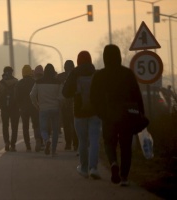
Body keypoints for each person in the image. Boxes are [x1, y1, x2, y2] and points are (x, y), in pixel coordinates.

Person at [90, 44, 145, 186]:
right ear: (119, 56)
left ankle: (113, 163)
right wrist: (141, 113)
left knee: (109, 142)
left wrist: (100, 112)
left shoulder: (99, 75)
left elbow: (93, 97)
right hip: (126, 115)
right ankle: (124, 177)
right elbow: (137, 95)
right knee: (126, 145)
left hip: (108, 115)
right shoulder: (127, 74)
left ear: (104, 57)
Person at [62, 51, 102, 179]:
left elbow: (65, 92)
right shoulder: (96, 73)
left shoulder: (74, 73)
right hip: (95, 112)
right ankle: (94, 168)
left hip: (79, 112)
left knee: (83, 141)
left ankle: (84, 168)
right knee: (94, 139)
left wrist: (75, 93)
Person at [30, 63, 62, 156]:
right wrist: (59, 105)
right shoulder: (58, 82)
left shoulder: (39, 82)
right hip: (55, 108)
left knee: (43, 129)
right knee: (55, 130)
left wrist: (36, 104)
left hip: (43, 109)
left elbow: (32, 95)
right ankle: (53, 151)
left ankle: (47, 140)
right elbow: (61, 96)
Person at [15, 65, 42, 152]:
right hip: (34, 107)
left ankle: (28, 145)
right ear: (31, 72)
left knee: (25, 126)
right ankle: (38, 140)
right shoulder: (35, 82)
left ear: (23, 73)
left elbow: (16, 97)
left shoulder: (19, 83)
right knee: (36, 125)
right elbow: (38, 95)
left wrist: (19, 106)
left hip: (23, 108)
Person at [0, 66, 20, 152]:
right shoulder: (16, 82)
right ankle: (13, 145)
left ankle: (6, 142)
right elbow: (19, 95)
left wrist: (0, 105)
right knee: (14, 127)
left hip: (4, 108)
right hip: (15, 108)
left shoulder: (0, 84)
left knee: (5, 126)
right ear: (12, 72)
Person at [57, 60, 78, 151]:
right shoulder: (76, 76)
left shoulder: (60, 77)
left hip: (64, 103)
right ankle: (76, 144)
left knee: (66, 125)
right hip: (74, 103)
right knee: (75, 124)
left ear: (65, 67)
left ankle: (68, 144)